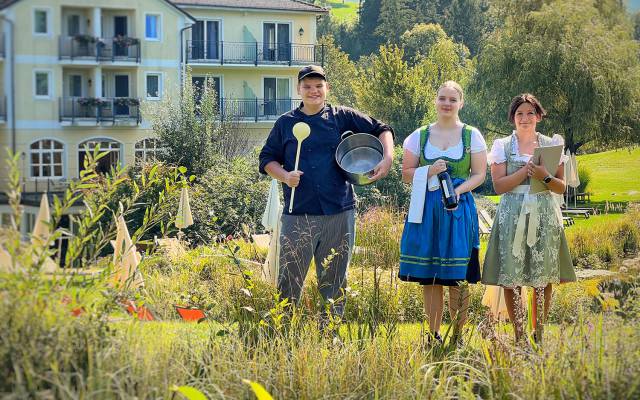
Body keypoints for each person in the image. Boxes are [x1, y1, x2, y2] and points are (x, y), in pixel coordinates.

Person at [259, 65, 394, 323]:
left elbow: (381, 128)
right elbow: (267, 159)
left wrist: (387, 158)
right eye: (307, 86)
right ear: (298, 89)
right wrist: (285, 176)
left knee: (334, 281)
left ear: (326, 88)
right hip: (298, 214)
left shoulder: (341, 116)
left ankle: (329, 333)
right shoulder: (286, 123)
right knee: (289, 279)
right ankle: (282, 331)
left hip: (339, 212)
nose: (313, 91)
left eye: (318, 86)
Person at [482, 93, 576, 343]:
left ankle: (539, 333)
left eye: (530, 113)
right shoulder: (502, 145)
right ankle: (519, 334)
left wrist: (544, 175)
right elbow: (499, 186)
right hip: (511, 214)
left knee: (542, 278)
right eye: (519, 114)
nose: (525, 118)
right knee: (511, 278)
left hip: (544, 213)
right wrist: (525, 170)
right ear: (513, 118)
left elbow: (560, 187)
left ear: (538, 116)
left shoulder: (551, 144)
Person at [399, 81, 487, 343]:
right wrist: (430, 171)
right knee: (431, 276)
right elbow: (406, 174)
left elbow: (480, 174)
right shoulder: (419, 135)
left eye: (452, 99)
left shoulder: (472, 135)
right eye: (442, 99)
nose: (446, 104)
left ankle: (457, 335)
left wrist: (459, 192)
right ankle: (433, 334)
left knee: (457, 275)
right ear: (435, 101)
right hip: (426, 212)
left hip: (458, 211)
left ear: (461, 103)